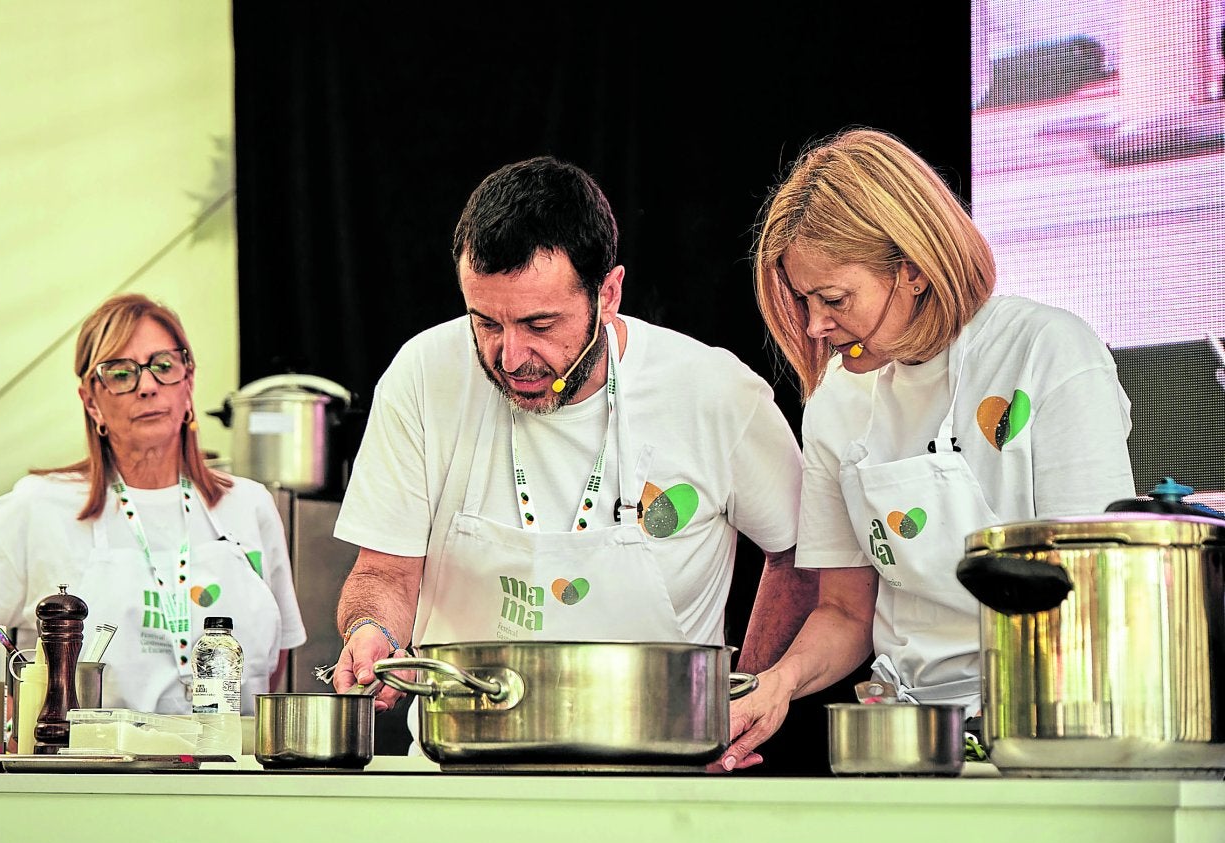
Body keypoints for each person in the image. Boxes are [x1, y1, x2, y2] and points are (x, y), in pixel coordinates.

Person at [330, 156, 814, 715]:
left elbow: (803, 556)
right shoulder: (421, 375)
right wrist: (374, 633)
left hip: (660, 767)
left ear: (608, 293)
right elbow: (385, 571)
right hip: (462, 761)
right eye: (486, 323)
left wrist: (745, 696)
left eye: (539, 325)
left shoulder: (714, 391)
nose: (510, 357)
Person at [721, 128, 1135, 770]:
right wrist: (780, 681)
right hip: (906, 738)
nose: (815, 326)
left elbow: (1096, 592)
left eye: (833, 299)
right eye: (804, 301)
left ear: (912, 268)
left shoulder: (1046, 353)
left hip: (1051, 729)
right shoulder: (835, 398)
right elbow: (843, 610)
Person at [0, 294, 305, 714]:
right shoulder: (39, 507)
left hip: (229, 770)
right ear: (91, 401)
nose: (146, 386)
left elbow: (275, 656)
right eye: (120, 373)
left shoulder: (249, 505)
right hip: (91, 774)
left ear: (189, 382)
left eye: (163, 366)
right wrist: (26, 719)